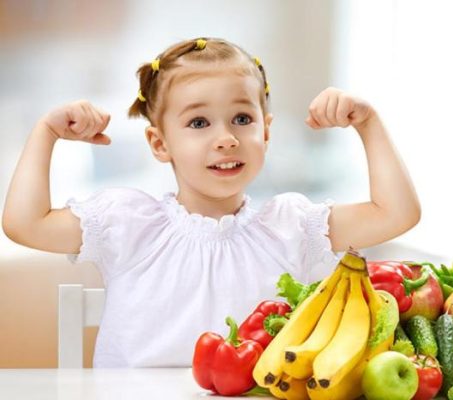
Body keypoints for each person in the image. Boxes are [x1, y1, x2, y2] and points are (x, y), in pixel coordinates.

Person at [2, 37, 421, 368]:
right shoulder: (127, 223)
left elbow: (396, 213)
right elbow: (25, 223)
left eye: (242, 119)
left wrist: (368, 124)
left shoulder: (292, 226)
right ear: (160, 143)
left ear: (266, 132)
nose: (226, 138)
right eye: (199, 123)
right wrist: (46, 133)